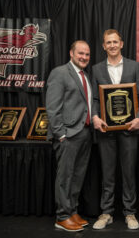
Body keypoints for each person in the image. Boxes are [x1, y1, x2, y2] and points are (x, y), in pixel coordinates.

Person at [91, 29, 139, 230]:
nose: (112, 45)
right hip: (105, 130)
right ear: (104, 46)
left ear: (121, 44)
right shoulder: (97, 69)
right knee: (107, 173)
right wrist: (95, 117)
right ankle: (106, 212)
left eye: (115, 42)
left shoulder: (134, 66)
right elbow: (95, 99)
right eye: (109, 42)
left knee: (129, 173)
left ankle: (130, 213)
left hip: (129, 129)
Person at [46, 40, 93, 232]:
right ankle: (62, 216)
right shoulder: (60, 73)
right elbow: (52, 107)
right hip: (68, 135)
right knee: (65, 177)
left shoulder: (85, 75)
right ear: (71, 53)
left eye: (87, 54)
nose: (84, 57)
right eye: (80, 53)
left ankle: (72, 211)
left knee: (77, 176)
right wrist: (61, 134)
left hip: (84, 133)